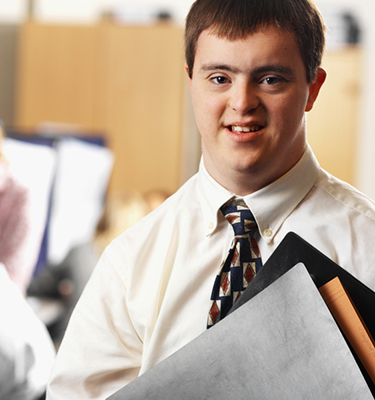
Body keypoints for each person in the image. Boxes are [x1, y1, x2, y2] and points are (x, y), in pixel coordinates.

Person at [47, 0, 375, 398]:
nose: (242, 103)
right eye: (220, 78)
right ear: (191, 83)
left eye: (270, 79)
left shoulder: (368, 247)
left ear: (313, 88)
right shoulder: (131, 263)